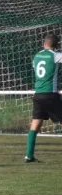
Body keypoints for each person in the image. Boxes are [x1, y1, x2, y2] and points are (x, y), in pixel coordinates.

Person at [25, 33, 62, 163]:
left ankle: (29, 155)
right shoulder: (56, 55)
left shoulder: (37, 56)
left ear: (44, 43)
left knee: (35, 125)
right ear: (56, 46)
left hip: (38, 95)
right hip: (50, 95)